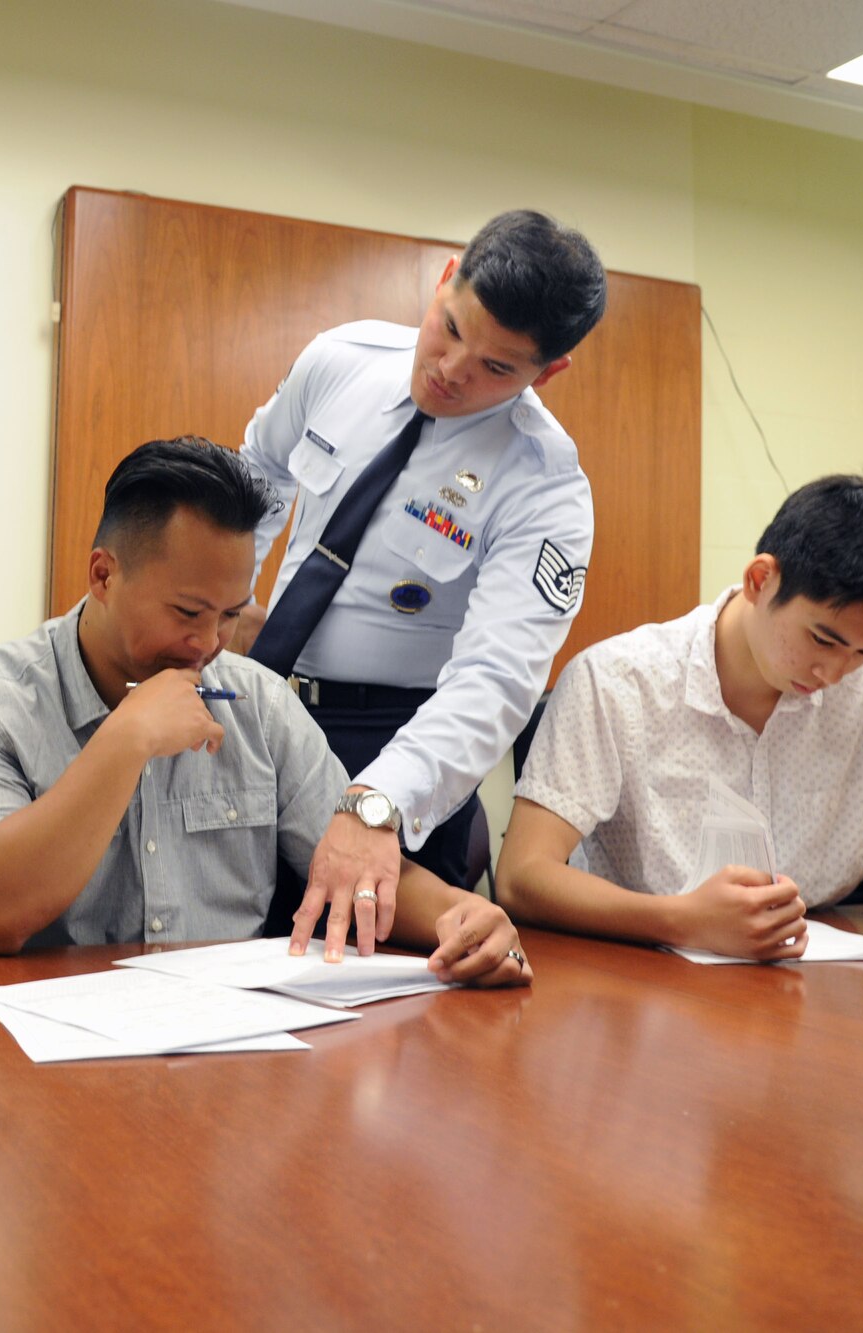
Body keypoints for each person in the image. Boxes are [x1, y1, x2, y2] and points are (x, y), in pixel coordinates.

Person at [0, 436, 529, 984]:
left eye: (231, 614)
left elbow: (356, 871)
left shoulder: (258, 703)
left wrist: (463, 914)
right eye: (187, 613)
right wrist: (125, 739)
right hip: (31, 1051)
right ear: (103, 576)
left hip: (226, 1047)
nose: (209, 644)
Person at [231, 209, 607, 961]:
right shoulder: (341, 360)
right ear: (444, 280)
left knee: (358, 999)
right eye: (451, 326)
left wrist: (378, 803)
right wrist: (230, 596)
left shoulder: (546, 488)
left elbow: (494, 682)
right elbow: (256, 474)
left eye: (497, 367)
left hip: (392, 743)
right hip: (262, 713)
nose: (452, 367)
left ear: (548, 371)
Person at [494, 475, 863, 961]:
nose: (834, 672)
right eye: (822, 641)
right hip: (641, 973)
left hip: (818, 975)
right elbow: (521, 876)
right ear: (760, 580)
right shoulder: (617, 681)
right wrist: (682, 919)